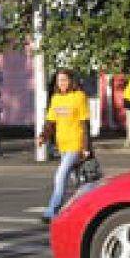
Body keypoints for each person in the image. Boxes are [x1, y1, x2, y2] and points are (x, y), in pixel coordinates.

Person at [37, 69, 91, 223]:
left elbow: (85, 123)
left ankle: (51, 211)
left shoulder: (79, 96)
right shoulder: (55, 98)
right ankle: (88, 205)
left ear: (71, 81)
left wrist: (86, 147)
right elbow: (50, 122)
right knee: (78, 181)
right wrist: (43, 136)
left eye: (64, 80)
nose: (61, 83)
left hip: (76, 143)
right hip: (62, 145)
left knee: (60, 175)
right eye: (59, 80)